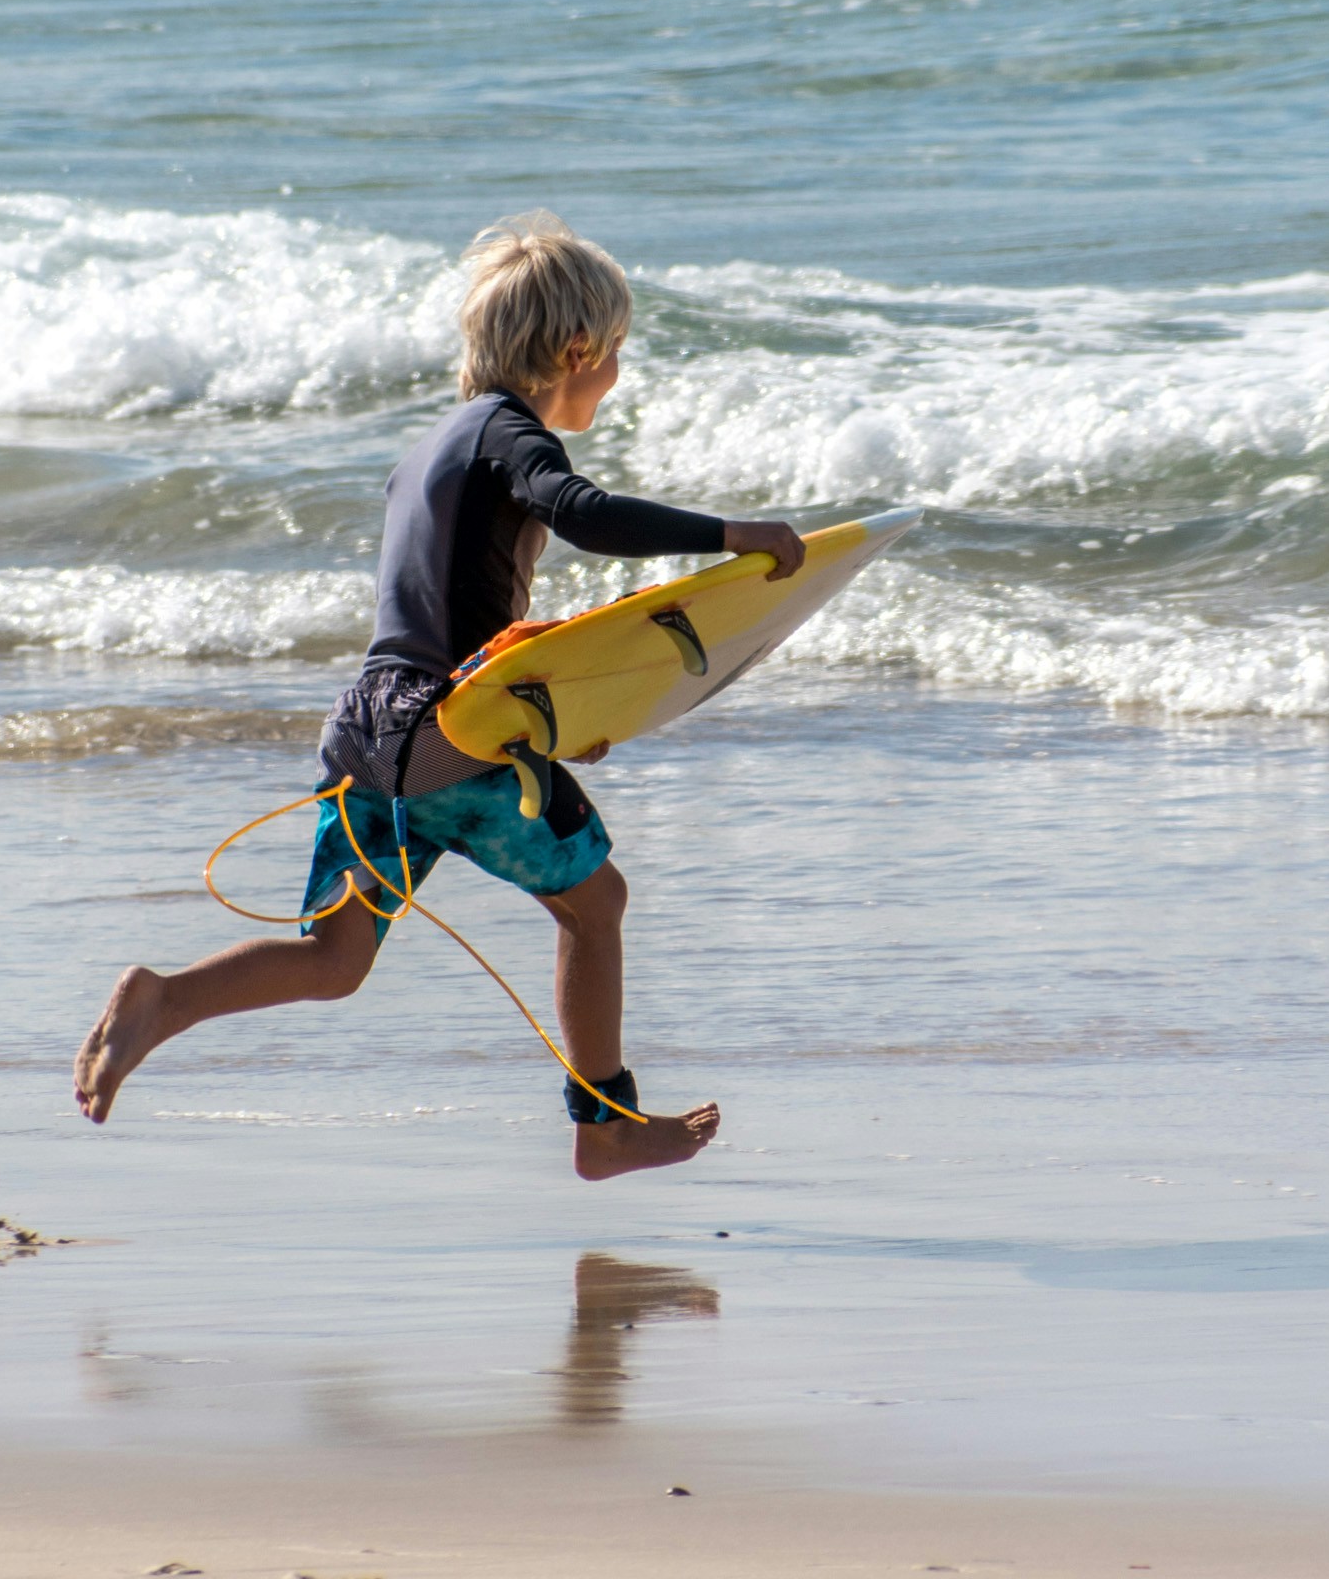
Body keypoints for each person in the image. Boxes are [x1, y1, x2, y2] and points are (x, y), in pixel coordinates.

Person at [71, 211, 805, 1180]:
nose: (616, 373)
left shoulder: (425, 453)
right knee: (597, 903)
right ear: (576, 349)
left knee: (335, 962)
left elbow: (450, 619)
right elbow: (578, 515)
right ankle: (604, 1124)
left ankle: (163, 998)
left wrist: (557, 721)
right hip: (451, 729)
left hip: (368, 730)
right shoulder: (512, 435)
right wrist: (731, 535)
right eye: (615, 352)